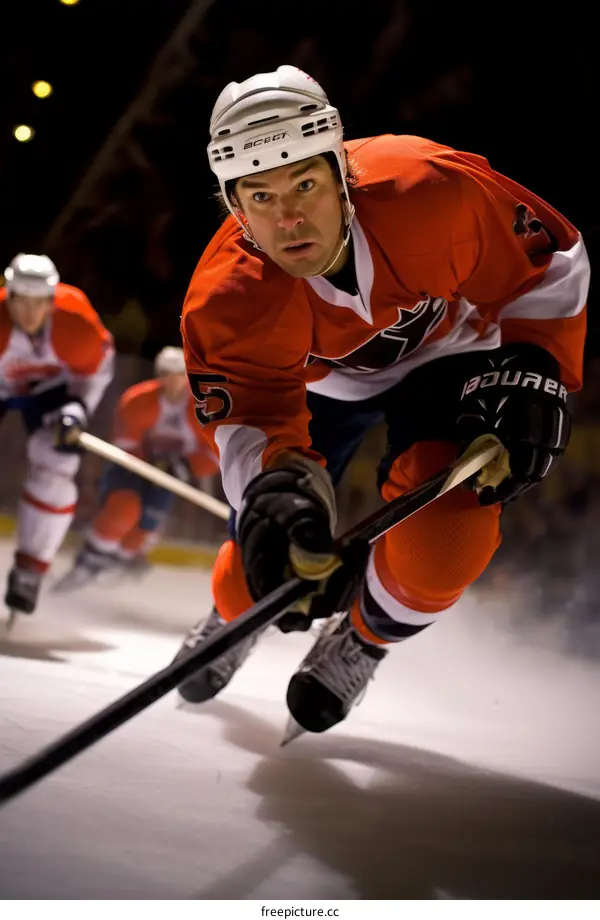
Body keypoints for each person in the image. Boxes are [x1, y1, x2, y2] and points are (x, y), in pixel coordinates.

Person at [173, 65, 589, 734]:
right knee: (268, 550)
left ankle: (363, 639)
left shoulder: (430, 188)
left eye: (305, 184)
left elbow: (551, 261)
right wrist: (279, 490)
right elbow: (251, 420)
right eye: (260, 196)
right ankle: (232, 613)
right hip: (318, 388)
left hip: (454, 358)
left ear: (342, 172)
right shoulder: (226, 299)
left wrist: (535, 359)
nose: (289, 219)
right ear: (233, 206)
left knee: (450, 532)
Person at [0, 253, 114, 617]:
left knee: (56, 460)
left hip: (51, 392)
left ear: (51, 300)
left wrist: (76, 409)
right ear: (9, 296)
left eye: (39, 302)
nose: (30, 314)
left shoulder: (76, 321)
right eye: (22, 301)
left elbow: (95, 372)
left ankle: (30, 569)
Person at [53, 346, 220, 592]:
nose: (172, 381)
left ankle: (117, 566)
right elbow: (126, 446)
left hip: (171, 477)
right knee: (123, 509)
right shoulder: (137, 400)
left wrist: (184, 466)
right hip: (133, 468)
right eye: (166, 373)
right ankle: (91, 560)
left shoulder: (203, 408)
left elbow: (212, 455)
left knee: (146, 527)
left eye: (178, 374)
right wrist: (153, 463)